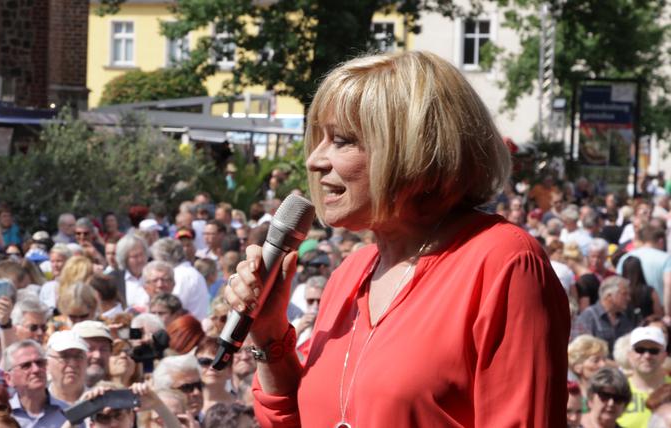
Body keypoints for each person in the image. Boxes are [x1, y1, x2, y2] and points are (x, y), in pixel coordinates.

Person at [223, 51, 569, 426]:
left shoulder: (503, 263)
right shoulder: (350, 274)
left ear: (414, 149)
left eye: (341, 140)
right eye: (319, 139)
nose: (314, 160)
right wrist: (269, 333)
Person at [616, 326, 670, 428]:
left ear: (664, 355)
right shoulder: (618, 392)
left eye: (654, 350)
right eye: (640, 350)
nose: (647, 356)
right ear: (629, 355)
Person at [573, 276, 637, 352]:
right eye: (624, 294)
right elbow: (584, 350)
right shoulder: (589, 317)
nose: (628, 298)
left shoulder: (625, 319)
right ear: (609, 296)